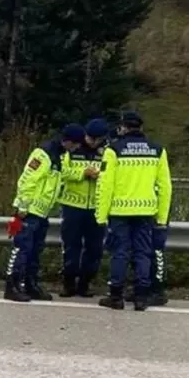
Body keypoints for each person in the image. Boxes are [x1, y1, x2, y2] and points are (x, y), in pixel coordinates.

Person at [95, 111, 173, 311]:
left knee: (120, 253)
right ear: (141, 128)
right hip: (146, 212)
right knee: (143, 253)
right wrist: (162, 218)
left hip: (119, 212)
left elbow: (105, 185)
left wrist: (100, 216)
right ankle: (141, 298)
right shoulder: (157, 150)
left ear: (123, 128)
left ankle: (116, 297)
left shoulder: (113, 150)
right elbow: (165, 186)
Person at [5, 124, 86, 302]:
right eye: (76, 144)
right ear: (69, 141)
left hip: (42, 212)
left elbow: (64, 174)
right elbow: (27, 181)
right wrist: (23, 207)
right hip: (29, 211)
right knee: (22, 249)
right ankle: (12, 285)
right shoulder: (43, 154)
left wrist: (83, 173)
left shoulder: (59, 156)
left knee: (35, 250)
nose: (78, 148)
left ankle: (30, 284)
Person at [57, 118, 109, 297]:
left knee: (94, 248)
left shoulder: (107, 152)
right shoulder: (72, 149)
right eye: (90, 137)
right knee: (71, 246)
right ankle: (68, 282)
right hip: (72, 206)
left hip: (96, 207)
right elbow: (62, 172)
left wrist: (99, 176)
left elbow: (111, 176)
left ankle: (85, 284)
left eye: (97, 139)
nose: (93, 142)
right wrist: (82, 173)